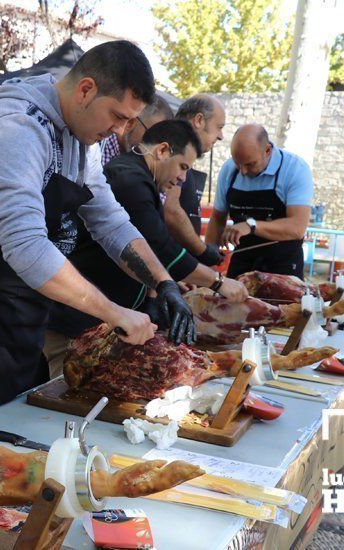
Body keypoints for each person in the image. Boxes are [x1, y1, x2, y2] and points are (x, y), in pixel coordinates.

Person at [0, 40, 196, 420]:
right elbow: (26, 246)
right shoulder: (16, 128)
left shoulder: (83, 141)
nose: (120, 131)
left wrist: (164, 282)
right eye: (118, 116)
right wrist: (113, 312)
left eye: (129, 121)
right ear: (86, 89)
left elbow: (109, 219)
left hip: (28, 317)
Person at [45, 120, 249, 377]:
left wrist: (159, 288)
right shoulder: (129, 180)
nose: (183, 178)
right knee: (64, 393)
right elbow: (159, 245)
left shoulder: (137, 176)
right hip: (74, 320)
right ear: (162, 151)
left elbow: (146, 250)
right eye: (183, 167)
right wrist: (217, 282)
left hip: (99, 318)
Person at [206, 124, 314, 278]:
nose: (243, 171)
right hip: (242, 264)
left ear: (268, 151)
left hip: (282, 267)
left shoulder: (295, 169)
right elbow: (217, 218)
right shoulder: (229, 169)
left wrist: (251, 225)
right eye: (238, 163)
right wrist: (209, 261)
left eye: (250, 164)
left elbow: (297, 227)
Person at [166, 94, 228, 267]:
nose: (221, 136)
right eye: (219, 127)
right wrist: (203, 251)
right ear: (199, 120)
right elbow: (170, 210)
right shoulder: (172, 150)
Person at [97, 94, 173, 166]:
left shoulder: (135, 164)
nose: (153, 146)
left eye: (159, 142)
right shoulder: (96, 143)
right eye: (152, 135)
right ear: (130, 123)